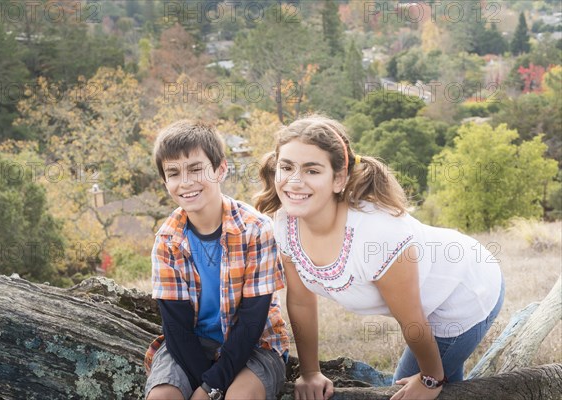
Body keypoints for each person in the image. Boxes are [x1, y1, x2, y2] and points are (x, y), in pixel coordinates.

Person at [255, 115, 504, 400]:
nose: (295, 181)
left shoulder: (376, 236)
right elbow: (300, 300)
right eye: (286, 167)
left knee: (407, 390)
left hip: (465, 290)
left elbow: (411, 318)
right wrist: (310, 372)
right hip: (426, 304)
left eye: (312, 170)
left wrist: (431, 379)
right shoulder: (285, 223)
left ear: (339, 179)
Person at [144, 120, 289, 400]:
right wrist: (205, 384)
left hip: (255, 345)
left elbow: (251, 322)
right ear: (165, 182)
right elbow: (176, 328)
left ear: (220, 169)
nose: (185, 182)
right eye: (173, 173)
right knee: (162, 397)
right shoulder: (167, 241)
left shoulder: (256, 230)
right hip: (191, 346)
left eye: (196, 169)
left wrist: (212, 388)